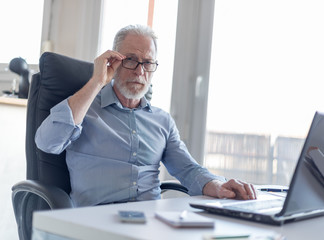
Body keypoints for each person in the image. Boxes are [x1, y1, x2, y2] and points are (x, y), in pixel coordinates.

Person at [35, 24, 257, 207]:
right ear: (113, 61)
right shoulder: (85, 110)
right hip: (96, 224)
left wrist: (217, 185)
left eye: (148, 63)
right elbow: (47, 142)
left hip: (150, 224)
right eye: (131, 59)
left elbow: (187, 169)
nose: (140, 71)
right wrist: (96, 82)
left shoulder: (162, 120)